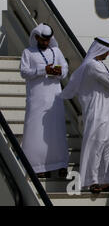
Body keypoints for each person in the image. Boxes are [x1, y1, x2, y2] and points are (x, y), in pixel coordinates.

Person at [60, 37, 109, 193]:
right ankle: (91, 181)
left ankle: (106, 181)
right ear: (100, 50)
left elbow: (108, 80)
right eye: (107, 51)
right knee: (95, 146)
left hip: (107, 113)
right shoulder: (92, 65)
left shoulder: (100, 65)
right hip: (97, 113)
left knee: (107, 147)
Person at [20, 23, 69, 178]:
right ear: (36, 37)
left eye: (48, 40)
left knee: (56, 131)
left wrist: (58, 71)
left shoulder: (56, 51)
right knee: (35, 132)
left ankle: (61, 164)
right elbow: (24, 72)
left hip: (54, 98)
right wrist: (43, 70)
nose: (46, 43)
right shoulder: (28, 52)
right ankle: (36, 167)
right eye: (43, 40)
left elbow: (65, 69)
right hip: (37, 99)